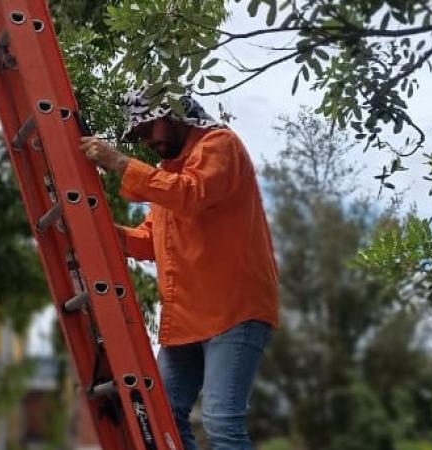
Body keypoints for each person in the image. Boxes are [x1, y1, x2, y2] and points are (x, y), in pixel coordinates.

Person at [79, 86, 279, 450]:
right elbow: (147, 241)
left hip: (234, 311)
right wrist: (92, 226)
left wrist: (120, 163)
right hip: (189, 317)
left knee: (221, 423)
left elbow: (191, 194)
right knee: (163, 415)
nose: (143, 140)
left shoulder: (220, 146)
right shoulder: (167, 176)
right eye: (137, 135)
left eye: (146, 128)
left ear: (174, 114)